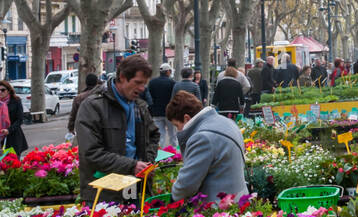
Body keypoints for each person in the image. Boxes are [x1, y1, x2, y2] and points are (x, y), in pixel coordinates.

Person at [75, 54, 160, 200]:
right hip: (104, 194)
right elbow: (91, 152)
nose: (142, 88)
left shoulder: (139, 106)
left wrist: (147, 161)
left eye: (144, 83)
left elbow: (154, 134)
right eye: (138, 82)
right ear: (122, 77)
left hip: (135, 188)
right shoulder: (93, 106)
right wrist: (131, 166)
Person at [166, 90, 247, 205]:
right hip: (238, 198)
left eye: (177, 126)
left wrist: (173, 197)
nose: (178, 130)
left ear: (186, 118)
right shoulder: (226, 121)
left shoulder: (201, 138)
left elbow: (187, 184)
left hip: (218, 207)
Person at [147, 64, 177, 148]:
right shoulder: (172, 82)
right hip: (169, 113)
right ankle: (175, 153)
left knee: (160, 135)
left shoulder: (152, 82)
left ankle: (161, 153)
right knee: (173, 134)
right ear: (168, 71)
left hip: (156, 112)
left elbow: (149, 97)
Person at [0, 80, 27, 154]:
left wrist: (9, 130)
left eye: (3, 90)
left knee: (13, 163)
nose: (0, 92)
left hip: (13, 137)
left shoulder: (16, 101)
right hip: (0, 137)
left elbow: (20, 119)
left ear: (8, 91)